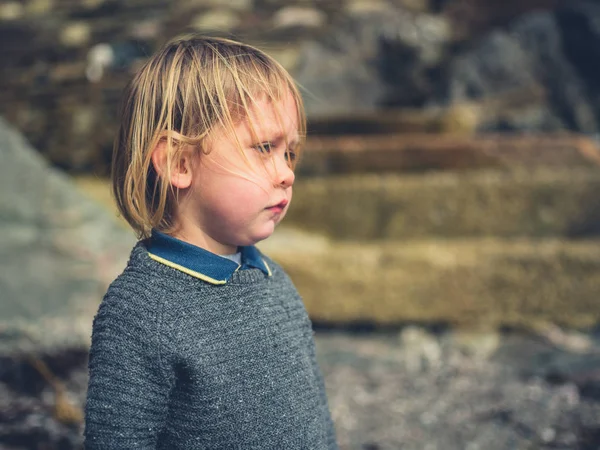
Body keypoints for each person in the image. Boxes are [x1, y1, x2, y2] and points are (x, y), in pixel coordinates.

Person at [84, 35, 338, 449]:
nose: (287, 172)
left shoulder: (272, 278)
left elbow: (314, 423)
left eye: (289, 153)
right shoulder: (140, 312)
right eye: (263, 148)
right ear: (179, 162)